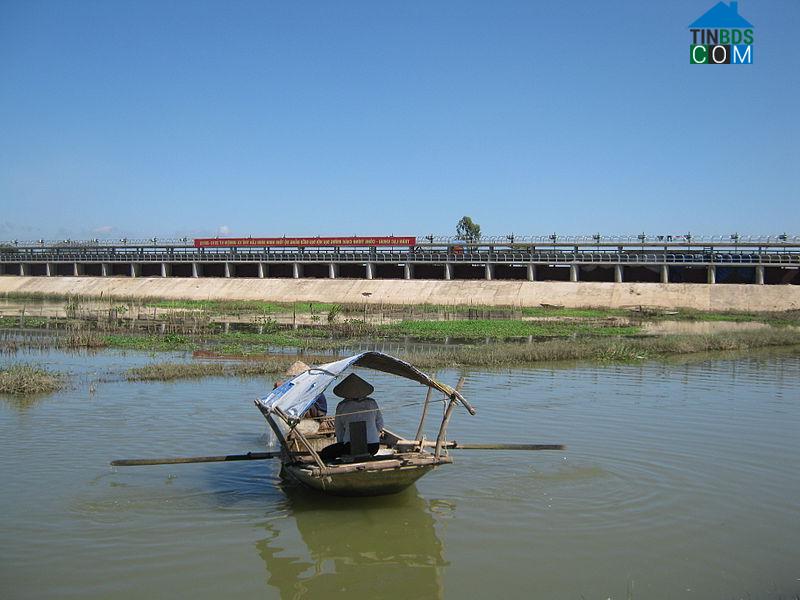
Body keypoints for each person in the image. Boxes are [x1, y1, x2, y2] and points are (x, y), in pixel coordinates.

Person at [319, 373, 383, 462]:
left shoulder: (342, 406)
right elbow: (380, 425)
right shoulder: (372, 403)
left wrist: (341, 445)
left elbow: (339, 430)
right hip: (373, 446)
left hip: (350, 446)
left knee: (325, 453)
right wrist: (373, 436)